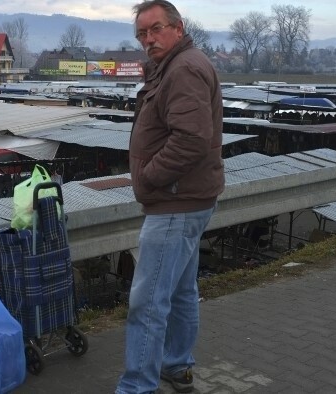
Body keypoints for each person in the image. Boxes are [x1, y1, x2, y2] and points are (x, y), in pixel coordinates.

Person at [116, 1, 225, 393]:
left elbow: (191, 139)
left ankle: (137, 386)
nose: (149, 39)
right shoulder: (176, 65)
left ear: (178, 27)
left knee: (147, 304)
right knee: (180, 292)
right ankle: (176, 365)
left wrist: (148, 177)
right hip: (188, 199)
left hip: (176, 203)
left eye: (155, 29)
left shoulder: (184, 69)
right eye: (142, 34)